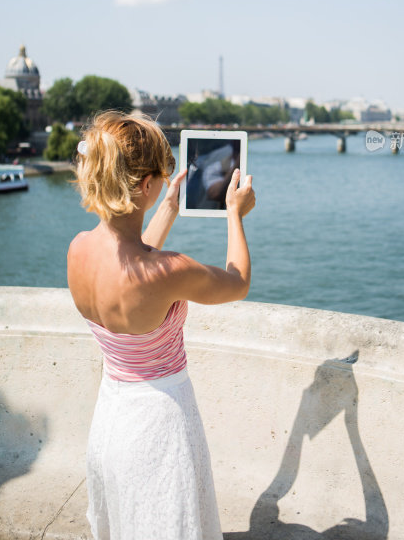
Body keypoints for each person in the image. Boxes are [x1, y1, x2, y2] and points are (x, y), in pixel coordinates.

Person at [67, 110, 255, 540]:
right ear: (146, 186)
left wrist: (168, 208)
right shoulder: (168, 271)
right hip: (160, 425)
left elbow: (130, 260)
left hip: (111, 417)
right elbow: (238, 283)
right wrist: (234, 214)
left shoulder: (78, 250)